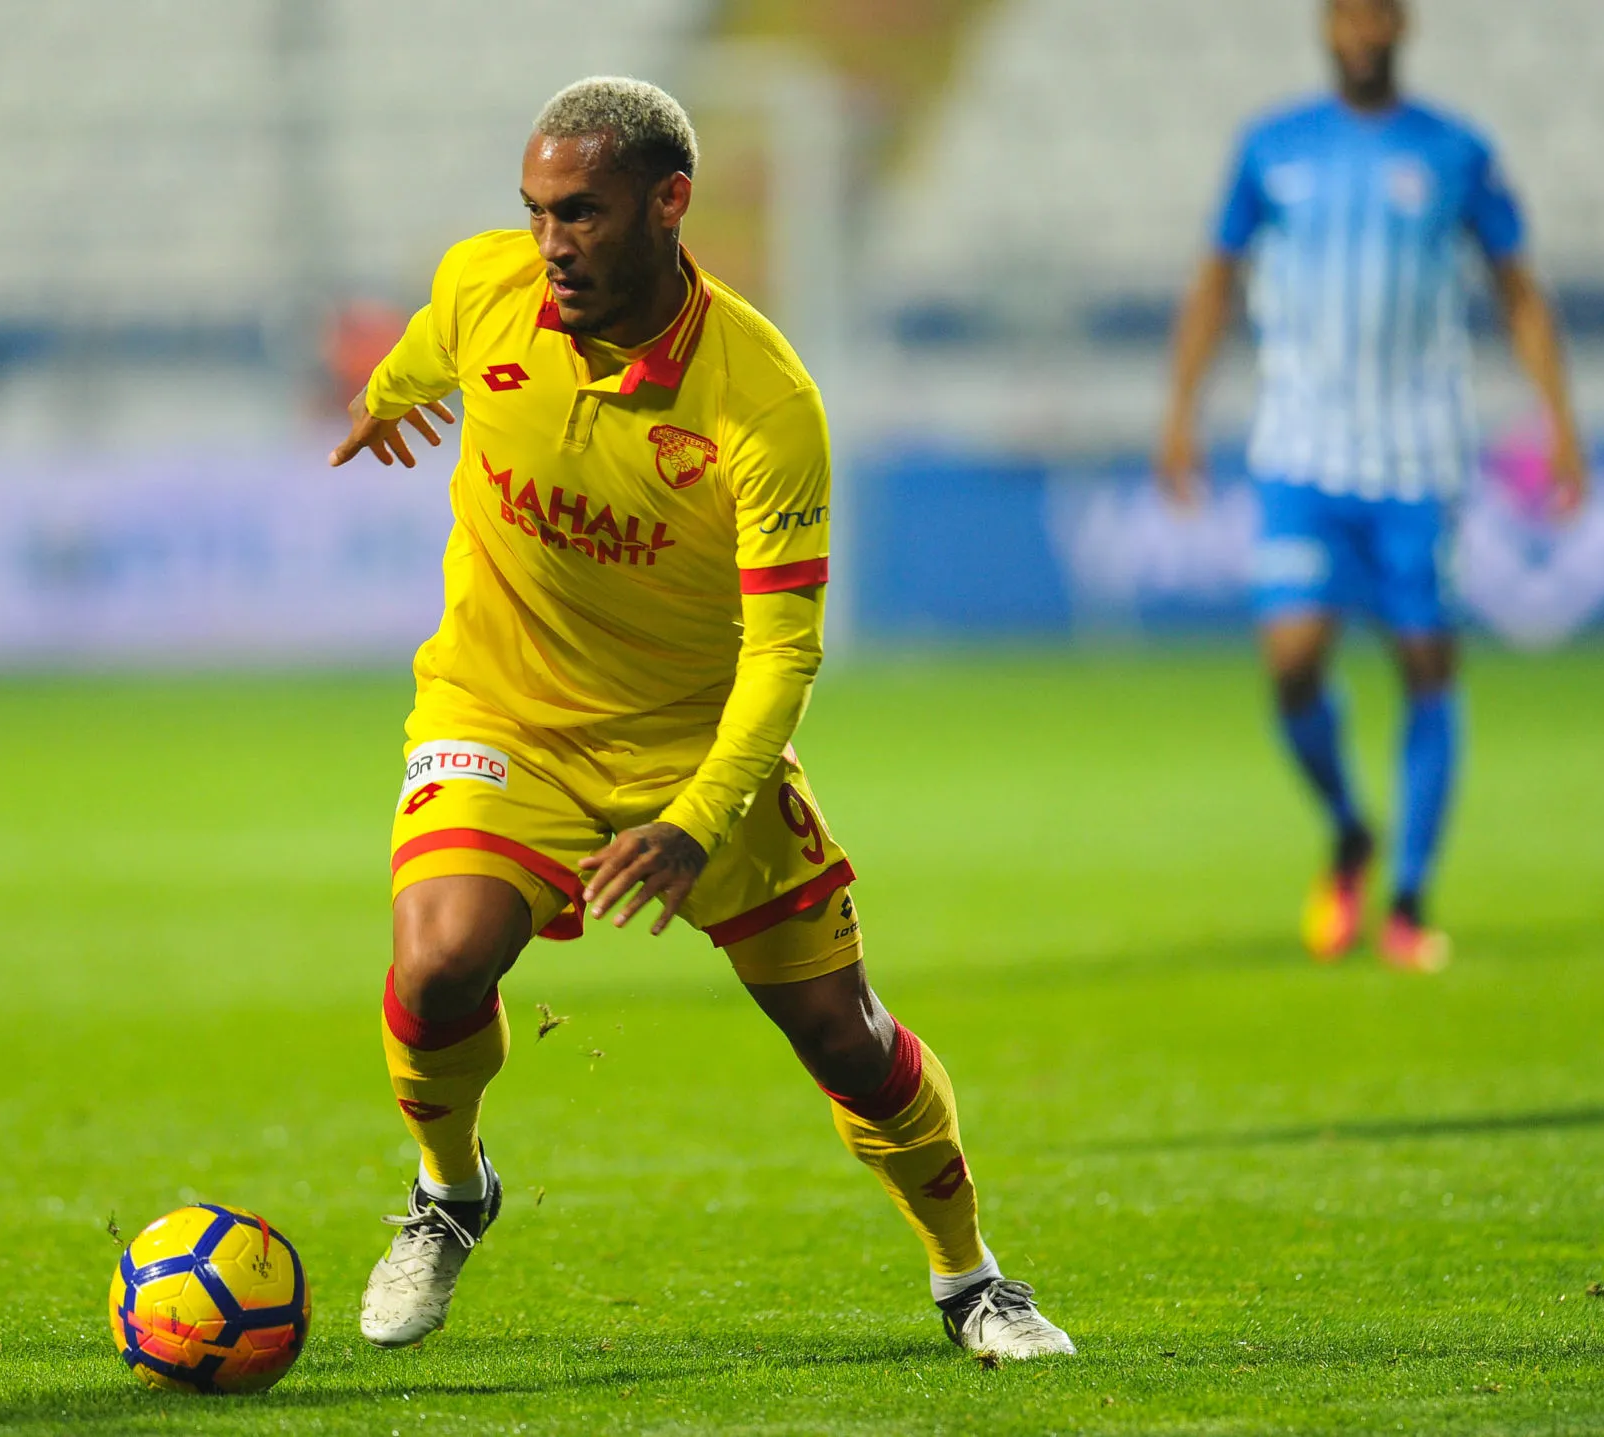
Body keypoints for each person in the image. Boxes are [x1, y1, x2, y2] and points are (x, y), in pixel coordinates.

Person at [328, 76, 1073, 1362]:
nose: (552, 242)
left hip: (697, 743)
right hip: (501, 714)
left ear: (670, 204)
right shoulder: (484, 287)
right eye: (537, 212)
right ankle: (450, 1192)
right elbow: (422, 347)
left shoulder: (763, 403)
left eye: (583, 213)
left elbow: (786, 649)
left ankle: (970, 1281)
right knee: (439, 959)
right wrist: (386, 398)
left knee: (840, 1034)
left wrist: (693, 816)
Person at [1157, 0, 1586, 972]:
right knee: (1290, 660)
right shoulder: (1270, 148)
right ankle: (1351, 828)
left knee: (1425, 664)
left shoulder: (1453, 152)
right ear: (1324, 27)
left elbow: (1515, 288)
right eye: (1344, 16)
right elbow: (1213, 281)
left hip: (1415, 457)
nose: (1359, 32)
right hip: (1298, 452)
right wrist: (1178, 414)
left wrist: (1558, 420)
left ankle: (1406, 898)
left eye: (1374, 16)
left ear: (1401, 26)